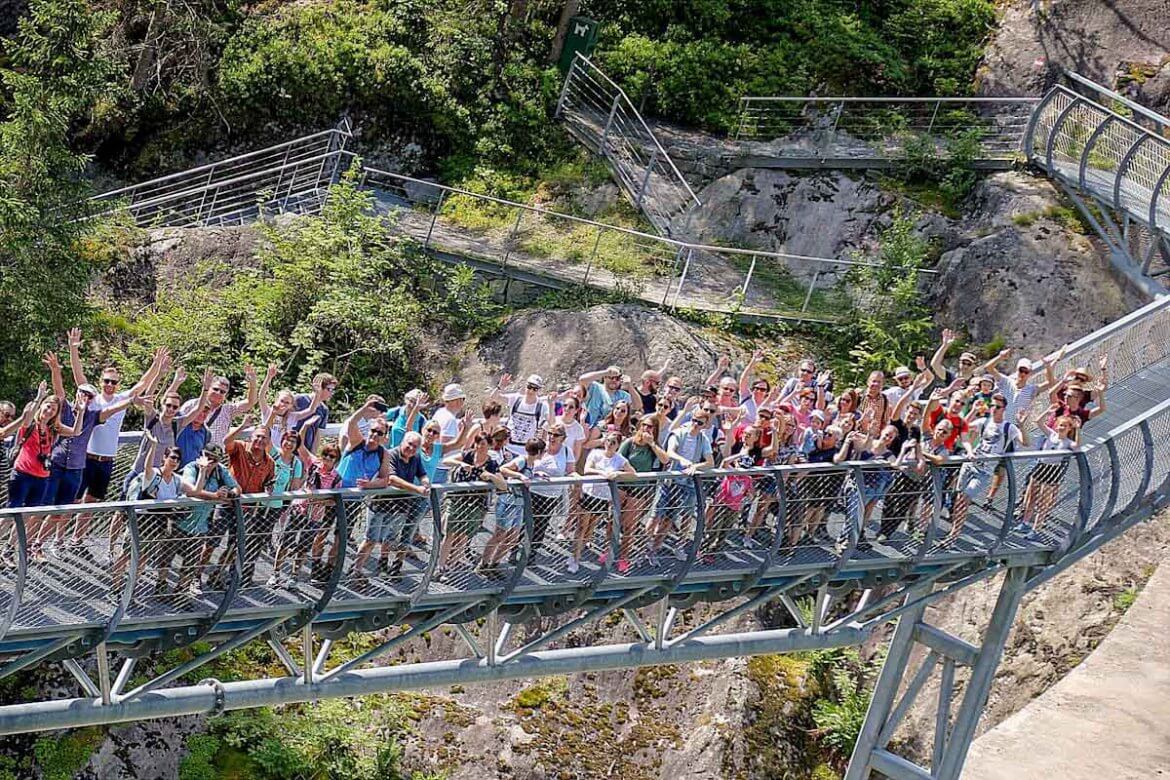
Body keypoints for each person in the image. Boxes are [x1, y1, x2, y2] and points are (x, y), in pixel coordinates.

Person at [67, 330, 169, 505]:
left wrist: (156, 364)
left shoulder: (123, 399)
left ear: (118, 385)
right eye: (106, 381)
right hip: (87, 458)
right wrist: (73, 349)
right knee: (73, 501)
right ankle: (61, 533)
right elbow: (79, 377)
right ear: (101, 382)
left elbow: (143, 383)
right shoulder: (93, 400)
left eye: (113, 382)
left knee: (92, 503)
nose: (109, 385)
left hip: (107, 460)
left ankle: (79, 534)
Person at [353, 431, 430, 584]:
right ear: (402, 442)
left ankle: (383, 565)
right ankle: (355, 569)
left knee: (391, 537)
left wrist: (426, 482)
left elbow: (422, 474)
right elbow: (392, 479)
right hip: (381, 503)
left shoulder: (415, 458)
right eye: (409, 444)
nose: (411, 448)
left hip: (401, 505)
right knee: (371, 539)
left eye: (415, 446)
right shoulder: (391, 455)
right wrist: (416, 489)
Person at [949, 393, 1023, 545]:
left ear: (1004, 409)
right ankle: (954, 531)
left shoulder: (1009, 427)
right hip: (970, 464)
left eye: (997, 407)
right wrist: (974, 411)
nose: (994, 409)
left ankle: (954, 534)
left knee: (964, 498)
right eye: (992, 406)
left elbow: (1026, 442)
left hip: (984, 471)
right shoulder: (983, 421)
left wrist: (1021, 425)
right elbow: (961, 426)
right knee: (959, 498)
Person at [646, 411, 714, 566]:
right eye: (694, 420)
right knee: (656, 515)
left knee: (670, 519)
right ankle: (642, 547)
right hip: (670, 482)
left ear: (705, 425)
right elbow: (670, 452)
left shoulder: (703, 439)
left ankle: (655, 549)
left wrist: (695, 466)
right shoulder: (678, 433)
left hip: (686, 484)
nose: (695, 425)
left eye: (700, 423)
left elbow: (710, 462)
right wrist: (683, 461)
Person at [438, 432, 505, 581]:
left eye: (484, 445)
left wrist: (491, 476)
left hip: (476, 504)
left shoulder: (492, 464)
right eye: (478, 444)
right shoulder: (467, 455)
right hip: (458, 499)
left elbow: (503, 485)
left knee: (463, 536)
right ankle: (440, 567)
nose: (480, 447)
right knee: (450, 533)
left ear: (489, 446)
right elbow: (446, 461)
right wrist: (461, 464)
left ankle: (451, 566)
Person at [179, 445, 240, 598]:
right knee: (166, 558)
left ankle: (180, 593)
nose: (210, 461)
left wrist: (230, 493)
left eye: (214, 458)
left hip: (200, 524)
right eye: (207, 456)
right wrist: (216, 496)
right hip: (180, 520)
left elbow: (237, 488)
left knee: (191, 559)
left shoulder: (220, 470)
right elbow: (192, 490)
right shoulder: (191, 467)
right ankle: (157, 589)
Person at [577, 431, 635, 574]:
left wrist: (618, 474)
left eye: (613, 442)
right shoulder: (596, 453)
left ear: (617, 445)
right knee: (582, 526)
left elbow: (633, 473)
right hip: (589, 493)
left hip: (603, 497)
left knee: (592, 524)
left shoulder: (619, 459)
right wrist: (603, 474)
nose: (609, 444)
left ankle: (583, 546)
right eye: (608, 441)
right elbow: (587, 469)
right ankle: (575, 556)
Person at [1018, 408, 1079, 537]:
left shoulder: (1068, 443)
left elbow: (1077, 447)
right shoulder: (1051, 434)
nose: (1061, 427)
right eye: (1060, 425)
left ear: (1069, 429)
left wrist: (1077, 429)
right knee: (1031, 496)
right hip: (1041, 466)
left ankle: (1036, 529)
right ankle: (1025, 522)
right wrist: (1047, 412)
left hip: (1053, 471)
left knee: (1043, 501)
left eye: (1065, 426)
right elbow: (1039, 422)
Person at [178, 364, 260, 447]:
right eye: (215, 389)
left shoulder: (228, 410)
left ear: (226, 395)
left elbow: (251, 402)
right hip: (189, 449)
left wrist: (253, 384)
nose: (218, 393)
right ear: (209, 387)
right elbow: (177, 425)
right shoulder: (192, 404)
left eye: (222, 392)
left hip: (213, 455)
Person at [489, 373, 552, 456]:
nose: (531, 391)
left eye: (535, 389)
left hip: (526, 452)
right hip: (507, 448)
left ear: (539, 390)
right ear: (525, 386)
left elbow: (551, 423)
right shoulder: (516, 399)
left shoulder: (542, 406)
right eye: (529, 387)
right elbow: (493, 397)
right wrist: (500, 386)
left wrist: (552, 406)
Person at [292, 372, 338, 453]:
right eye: (329, 389)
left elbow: (317, 434)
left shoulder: (324, 409)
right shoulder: (298, 399)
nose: (331, 393)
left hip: (306, 452)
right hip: (290, 446)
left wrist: (313, 454)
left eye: (333, 390)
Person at [431, 383, 467, 484]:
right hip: (441, 467)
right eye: (462, 399)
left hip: (437, 465)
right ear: (457, 400)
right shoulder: (449, 419)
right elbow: (444, 445)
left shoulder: (441, 413)